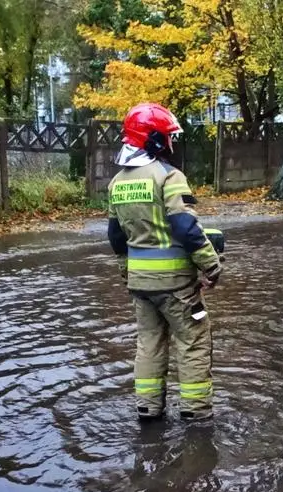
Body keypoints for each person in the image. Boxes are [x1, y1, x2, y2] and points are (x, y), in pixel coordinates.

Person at [107, 102, 222, 421]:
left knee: (148, 343)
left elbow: (116, 238)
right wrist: (212, 266)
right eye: (168, 136)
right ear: (153, 139)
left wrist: (127, 274)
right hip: (178, 288)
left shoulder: (117, 183)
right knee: (194, 340)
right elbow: (186, 228)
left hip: (140, 286)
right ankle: (196, 413)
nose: (172, 142)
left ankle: (148, 409)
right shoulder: (168, 176)